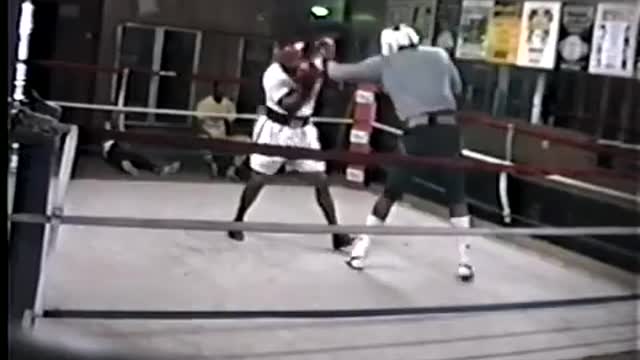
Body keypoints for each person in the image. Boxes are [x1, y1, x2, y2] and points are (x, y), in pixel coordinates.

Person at [315, 24, 475, 281]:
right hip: (448, 131)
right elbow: (456, 88)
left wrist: (326, 57)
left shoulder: (384, 63)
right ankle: (465, 262)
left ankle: (360, 252)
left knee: (391, 192)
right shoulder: (439, 55)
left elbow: (337, 73)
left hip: (418, 134)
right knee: (457, 196)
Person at [227, 38, 353, 251]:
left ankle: (336, 233)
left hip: (303, 132)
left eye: (298, 51)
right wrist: (306, 87)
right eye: (288, 51)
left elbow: (327, 57)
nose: (295, 55)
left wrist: (328, 50)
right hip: (276, 129)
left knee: (321, 180)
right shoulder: (273, 76)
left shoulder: (310, 65)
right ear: (278, 52)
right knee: (259, 178)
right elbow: (290, 107)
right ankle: (237, 221)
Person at [195, 82, 249, 179]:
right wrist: (208, 135)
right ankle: (213, 167)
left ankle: (232, 170)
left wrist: (228, 132)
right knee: (201, 140)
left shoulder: (228, 104)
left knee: (247, 141)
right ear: (214, 89)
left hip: (224, 137)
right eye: (219, 89)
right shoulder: (204, 103)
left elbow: (231, 123)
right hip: (209, 137)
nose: (222, 91)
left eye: (224, 89)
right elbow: (199, 123)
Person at [101, 121, 181, 177]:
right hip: (112, 152)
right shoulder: (108, 141)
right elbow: (107, 151)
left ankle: (161, 170)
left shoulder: (117, 139)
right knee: (118, 154)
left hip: (120, 152)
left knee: (138, 158)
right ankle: (125, 165)